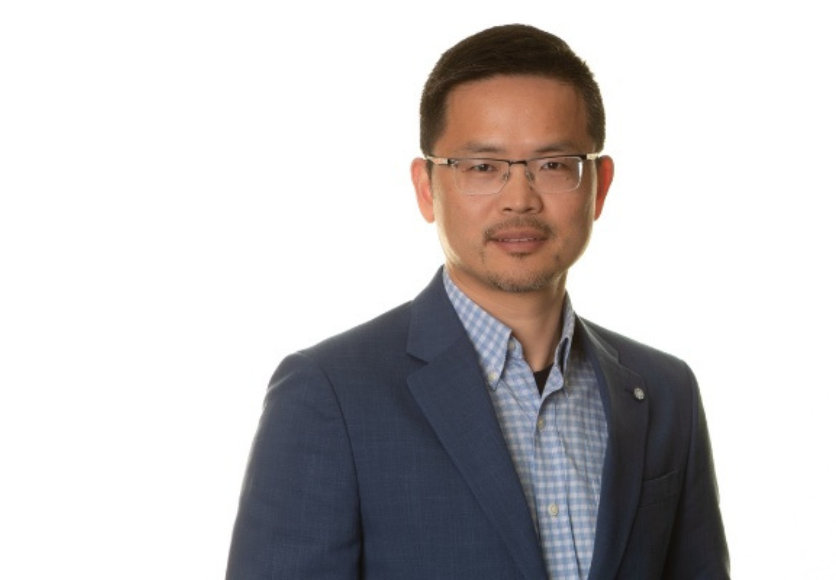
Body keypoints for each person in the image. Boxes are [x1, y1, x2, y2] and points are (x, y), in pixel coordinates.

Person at [227, 24, 729, 580]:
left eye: (554, 163)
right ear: (426, 188)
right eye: (482, 167)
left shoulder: (664, 391)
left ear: (598, 185)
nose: (519, 198)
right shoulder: (330, 394)